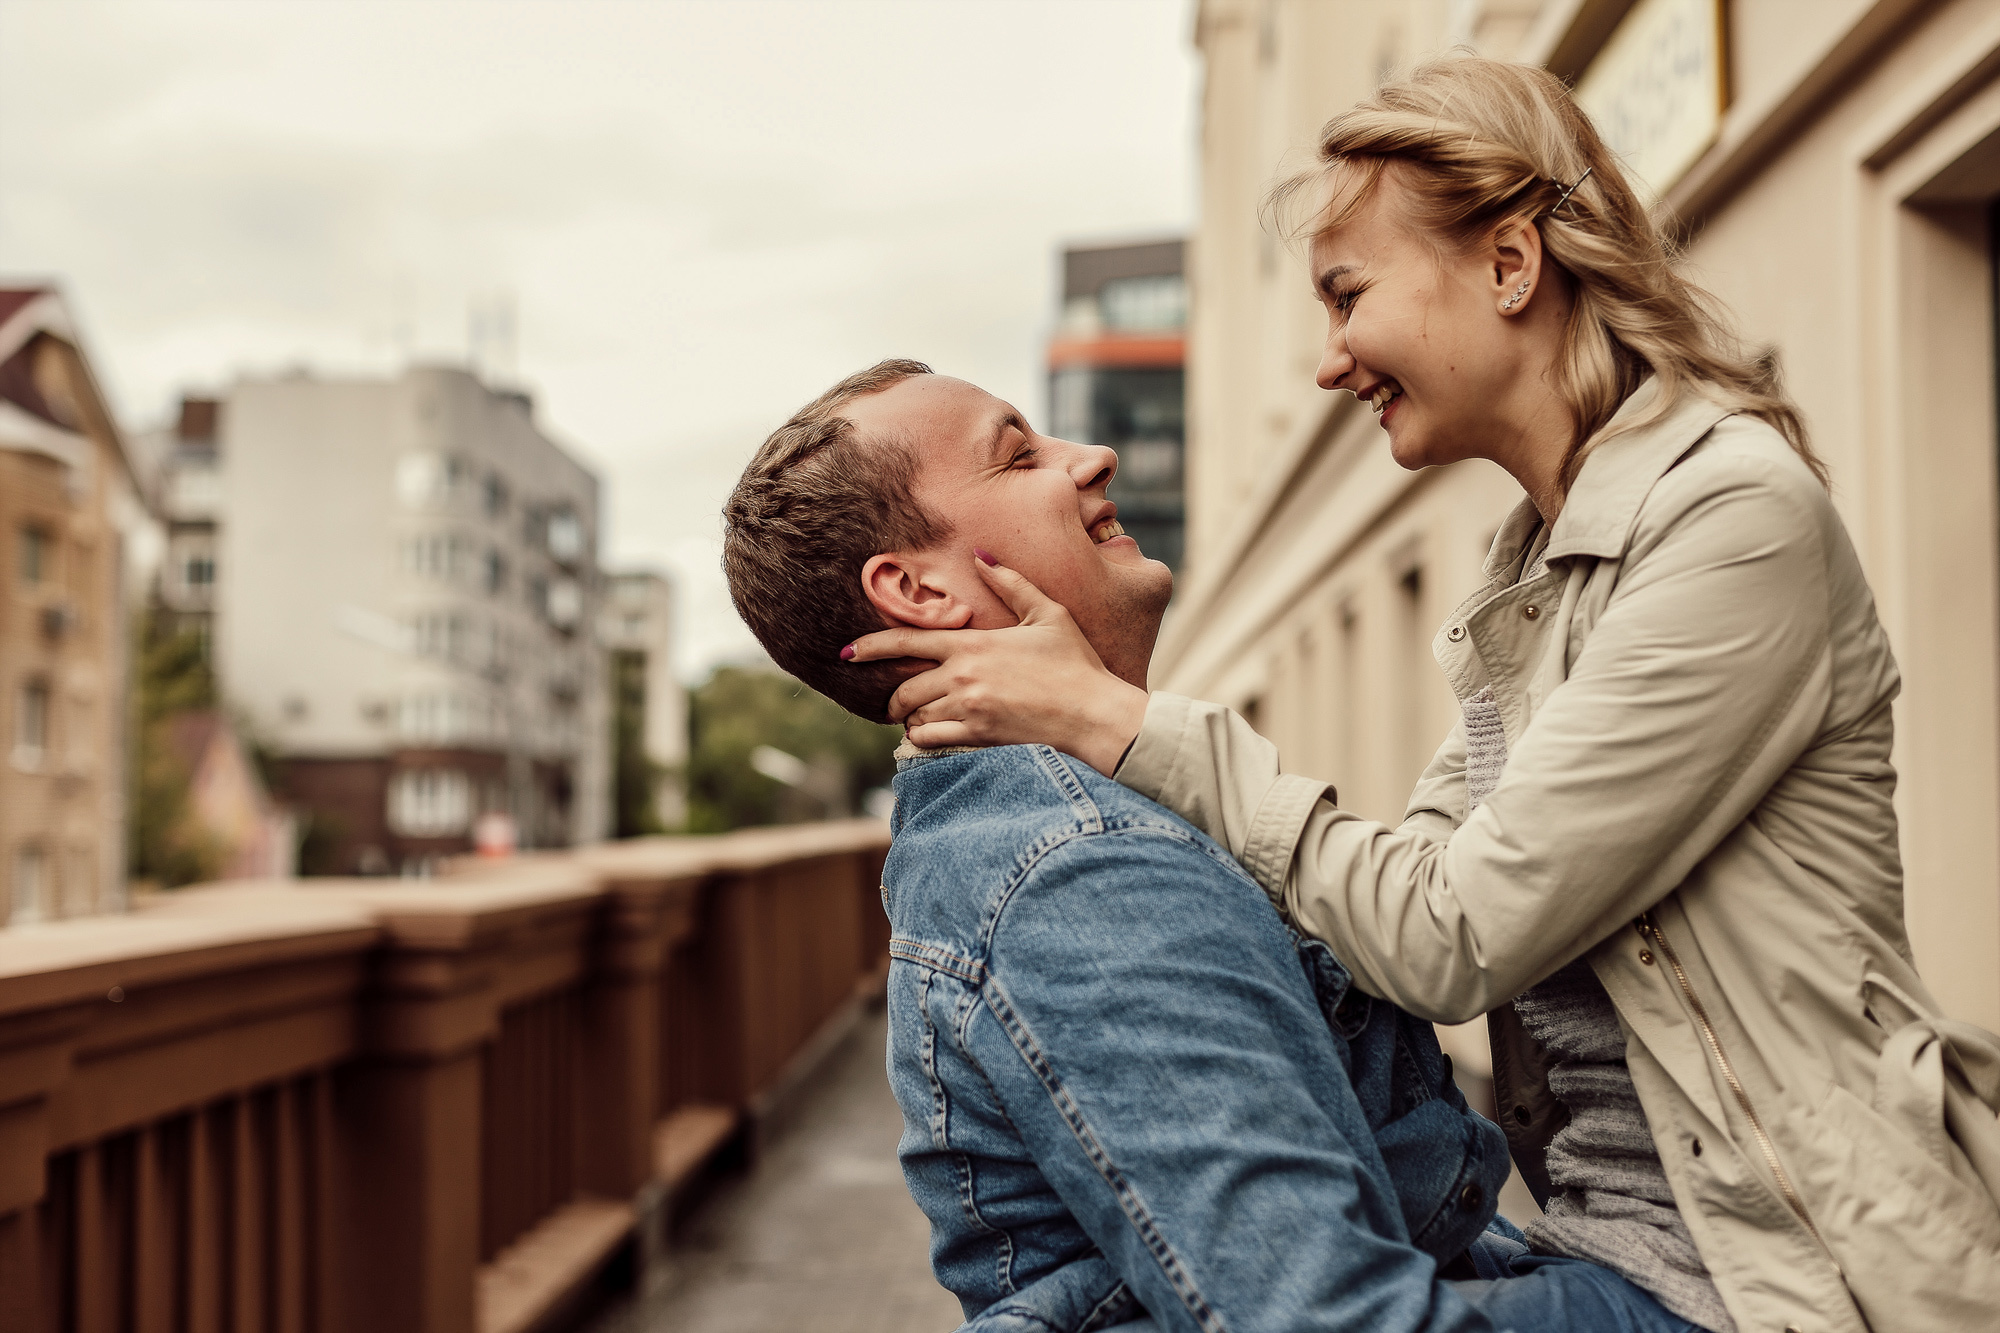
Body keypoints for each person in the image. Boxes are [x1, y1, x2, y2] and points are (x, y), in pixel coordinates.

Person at [845, 56, 2000, 1333]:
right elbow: (1401, 899)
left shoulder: (1731, 518)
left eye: (1346, 297)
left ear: (1509, 264)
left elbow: (1450, 935)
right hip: (1607, 1240)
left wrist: (1118, 727)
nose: (1331, 363)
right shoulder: (1533, 567)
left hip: (1775, 1275)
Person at [724, 358, 1722, 1333]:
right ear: (921, 591)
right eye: (1019, 457)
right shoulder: (1082, 874)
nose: (1095, 456)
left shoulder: (1045, 826)